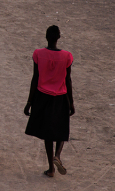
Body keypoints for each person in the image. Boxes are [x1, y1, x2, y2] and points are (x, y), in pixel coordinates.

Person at [24, 25, 74, 178]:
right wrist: (71, 102)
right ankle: (58, 155)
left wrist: (29, 102)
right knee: (61, 128)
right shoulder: (67, 56)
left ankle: (51, 168)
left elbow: (35, 79)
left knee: (47, 133)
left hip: (42, 96)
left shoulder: (38, 54)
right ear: (58, 38)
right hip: (61, 96)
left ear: (46, 37)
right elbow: (68, 79)